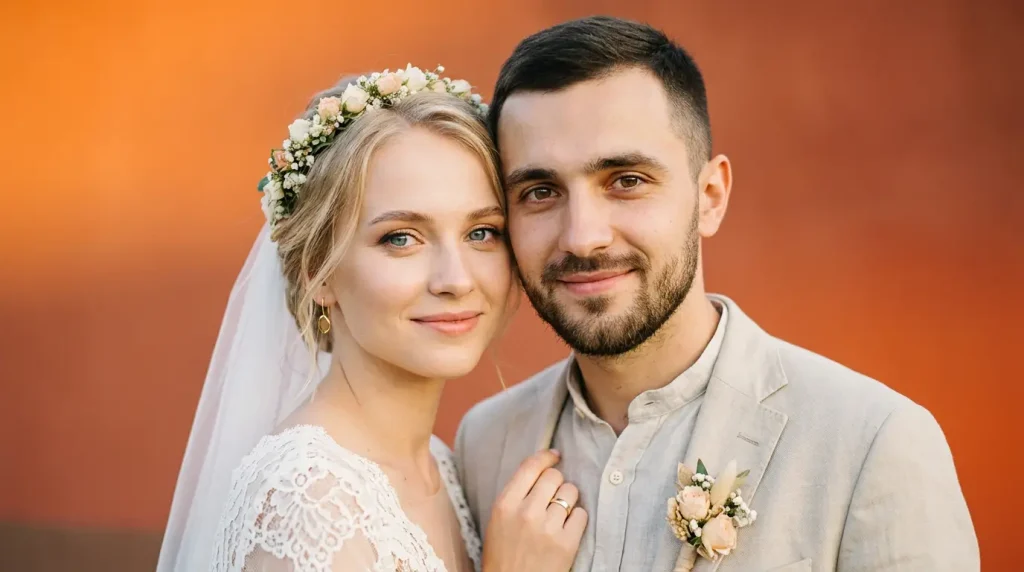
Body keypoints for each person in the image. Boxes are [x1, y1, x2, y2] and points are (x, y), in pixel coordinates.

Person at [455, 16, 980, 571]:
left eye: (627, 181)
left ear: (710, 196)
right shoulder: (484, 444)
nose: (582, 236)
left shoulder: (873, 443)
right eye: (540, 191)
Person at [156, 67, 584, 572]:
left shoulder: (440, 465)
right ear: (319, 272)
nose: (456, 279)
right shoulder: (309, 500)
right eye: (401, 238)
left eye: (482, 233)